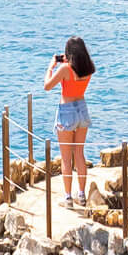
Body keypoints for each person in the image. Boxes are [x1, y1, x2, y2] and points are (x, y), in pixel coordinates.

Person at [43, 37, 95, 209]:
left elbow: (47, 86)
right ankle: (81, 194)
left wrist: (51, 67)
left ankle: (68, 198)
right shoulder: (88, 67)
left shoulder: (65, 68)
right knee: (79, 154)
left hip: (67, 111)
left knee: (66, 158)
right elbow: (76, 72)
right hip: (82, 108)